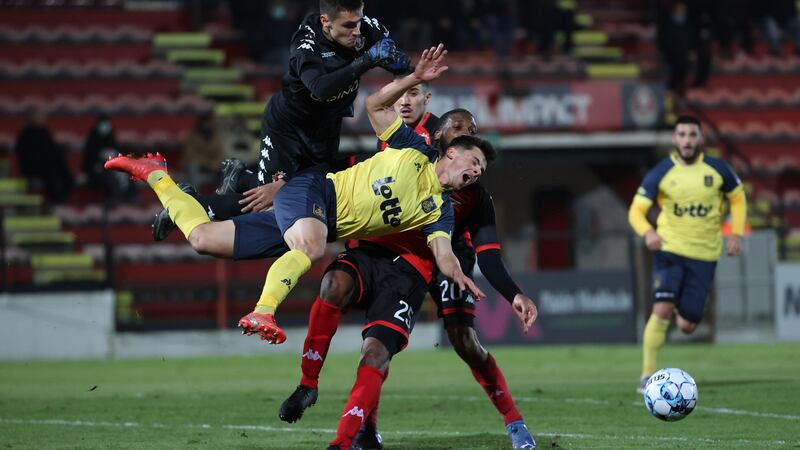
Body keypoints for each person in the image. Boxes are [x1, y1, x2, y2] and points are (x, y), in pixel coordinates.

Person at [105, 44, 492, 345]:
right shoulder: (412, 148)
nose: (474, 172)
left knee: (203, 238)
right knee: (310, 248)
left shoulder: (439, 210)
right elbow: (375, 105)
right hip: (312, 193)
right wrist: (413, 79)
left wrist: (459, 273)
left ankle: (157, 176)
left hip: (312, 222)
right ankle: (263, 312)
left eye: (480, 172)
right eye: (473, 162)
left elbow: (442, 252)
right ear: (451, 152)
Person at [279, 108, 538, 450]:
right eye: (456, 127)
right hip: (387, 255)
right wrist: (282, 186)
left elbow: (488, 256)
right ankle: (359, 424)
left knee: (465, 343)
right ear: (442, 135)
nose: (463, 131)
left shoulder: (474, 196)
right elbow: (340, 170)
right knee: (368, 333)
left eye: (470, 129)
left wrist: (514, 294)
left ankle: (514, 421)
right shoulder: (406, 153)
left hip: (445, 259)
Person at [151, 0, 411, 240]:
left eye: (359, 21)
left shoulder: (365, 27)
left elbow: (402, 65)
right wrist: (367, 60)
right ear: (325, 22)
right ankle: (187, 204)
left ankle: (242, 178)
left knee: (314, 190)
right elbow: (319, 88)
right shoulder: (305, 42)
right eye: (348, 25)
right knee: (270, 199)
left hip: (326, 129)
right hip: (288, 129)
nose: (356, 31)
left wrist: (397, 61)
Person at [628, 115, 747, 393]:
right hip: (671, 251)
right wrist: (648, 232)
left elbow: (738, 198)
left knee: (687, 325)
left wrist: (736, 233)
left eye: (692, 135)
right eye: (681, 135)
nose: (687, 140)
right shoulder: (661, 172)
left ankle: (684, 303)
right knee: (662, 308)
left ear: (700, 139)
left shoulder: (718, 169)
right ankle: (647, 374)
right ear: (674, 139)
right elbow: (636, 210)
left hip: (705, 255)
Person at [14, 110, 74, 204]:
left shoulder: (44, 131)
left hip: (47, 164)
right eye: (38, 117)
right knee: (52, 170)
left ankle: (64, 190)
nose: (41, 119)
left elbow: (51, 147)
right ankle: (56, 198)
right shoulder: (25, 133)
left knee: (59, 160)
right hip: (32, 167)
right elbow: (23, 154)